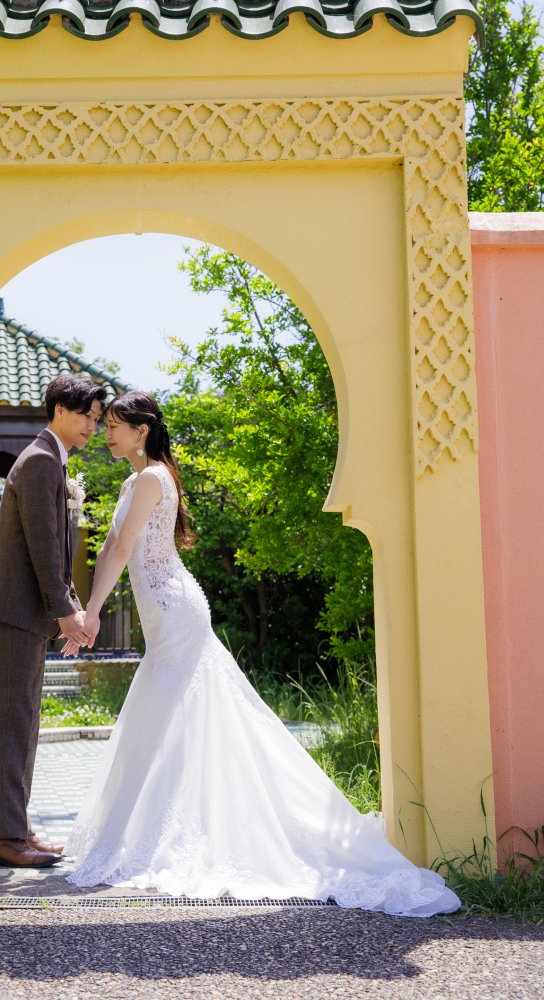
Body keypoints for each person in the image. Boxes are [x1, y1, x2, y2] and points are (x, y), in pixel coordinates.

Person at [61, 391, 461, 916]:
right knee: (176, 724)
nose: (107, 433)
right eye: (106, 424)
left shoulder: (148, 479)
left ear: (142, 430)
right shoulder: (149, 478)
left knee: (181, 721)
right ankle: (168, 828)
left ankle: (181, 834)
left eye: (116, 425)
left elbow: (119, 548)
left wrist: (90, 610)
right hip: (169, 613)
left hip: (175, 613)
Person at [0, 373, 105, 869]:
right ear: (60, 410)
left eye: (96, 416)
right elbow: (46, 549)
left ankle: (15, 828)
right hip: (11, 609)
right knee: (9, 722)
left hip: (22, 612)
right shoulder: (43, 461)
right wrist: (67, 613)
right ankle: (2, 838)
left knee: (22, 720)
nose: (93, 423)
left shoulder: (53, 461)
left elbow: (53, 551)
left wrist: (63, 610)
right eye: (86, 413)